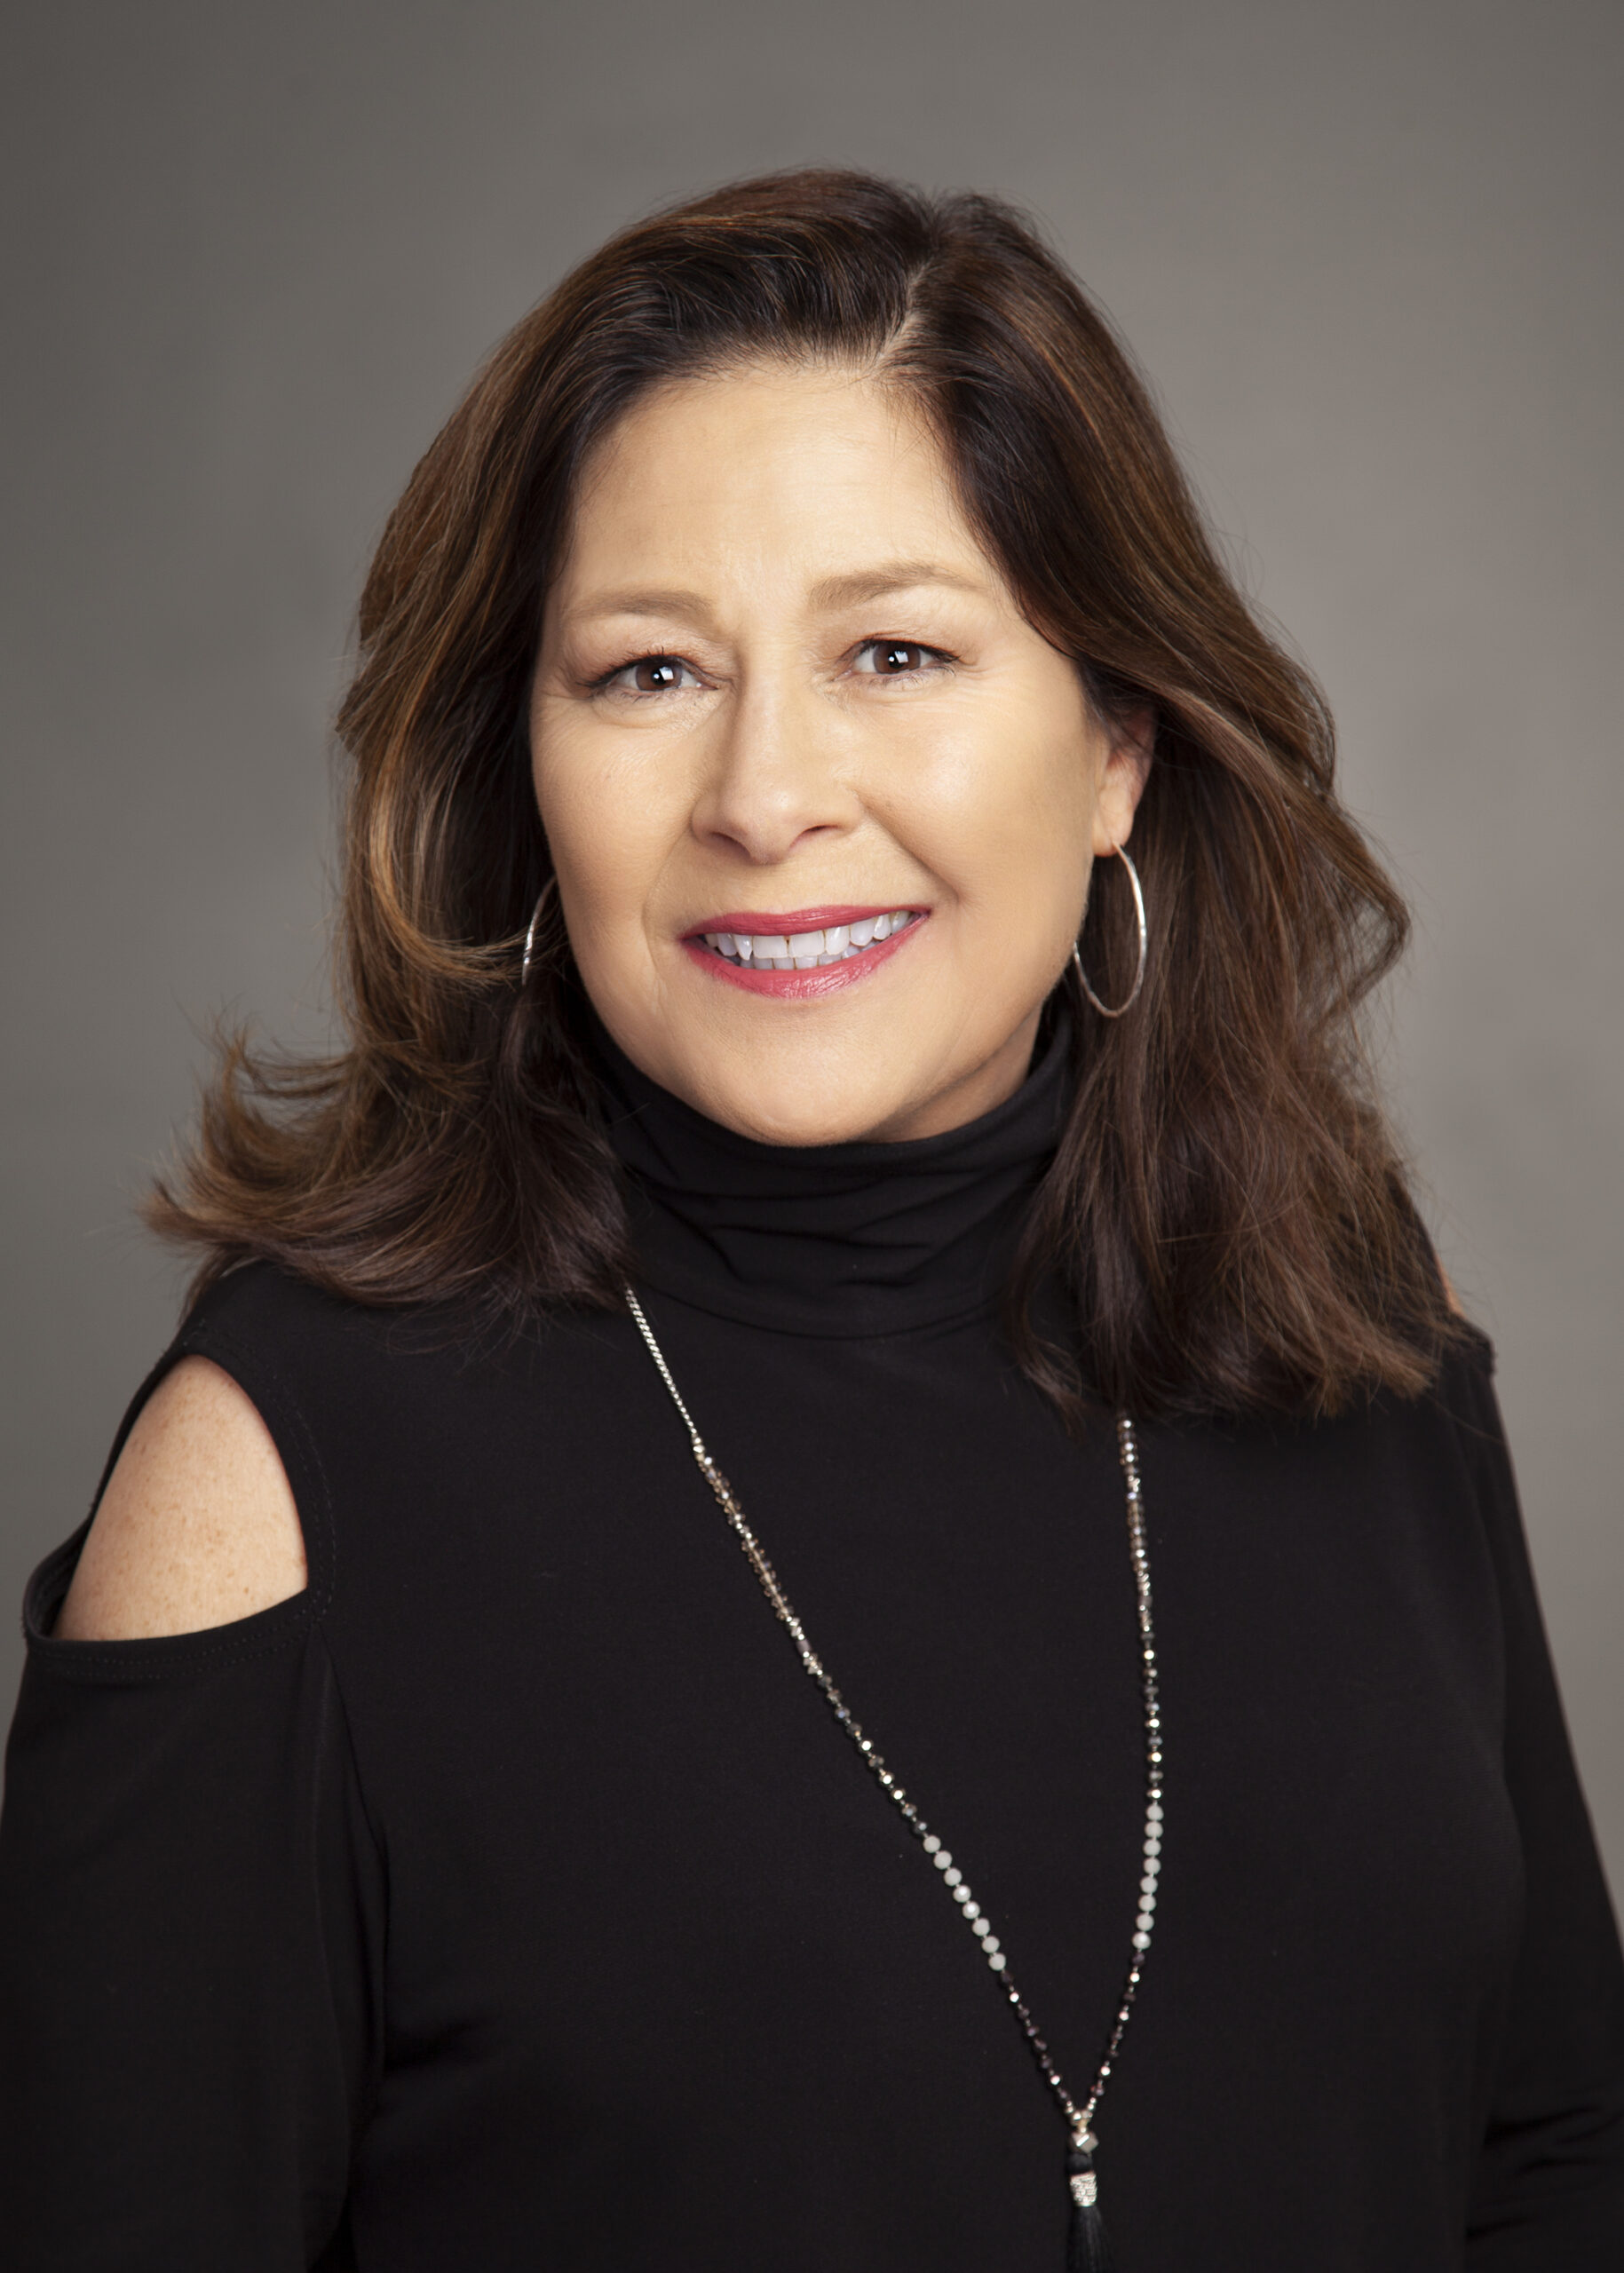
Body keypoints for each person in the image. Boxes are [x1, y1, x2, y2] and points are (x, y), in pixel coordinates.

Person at [1, 168, 1620, 2273]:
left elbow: (1551, 2155)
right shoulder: (270, 1478)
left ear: (1118, 745)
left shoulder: (1361, 1325)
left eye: (896, 651)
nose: (765, 796)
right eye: (649, 672)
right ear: (527, 763)